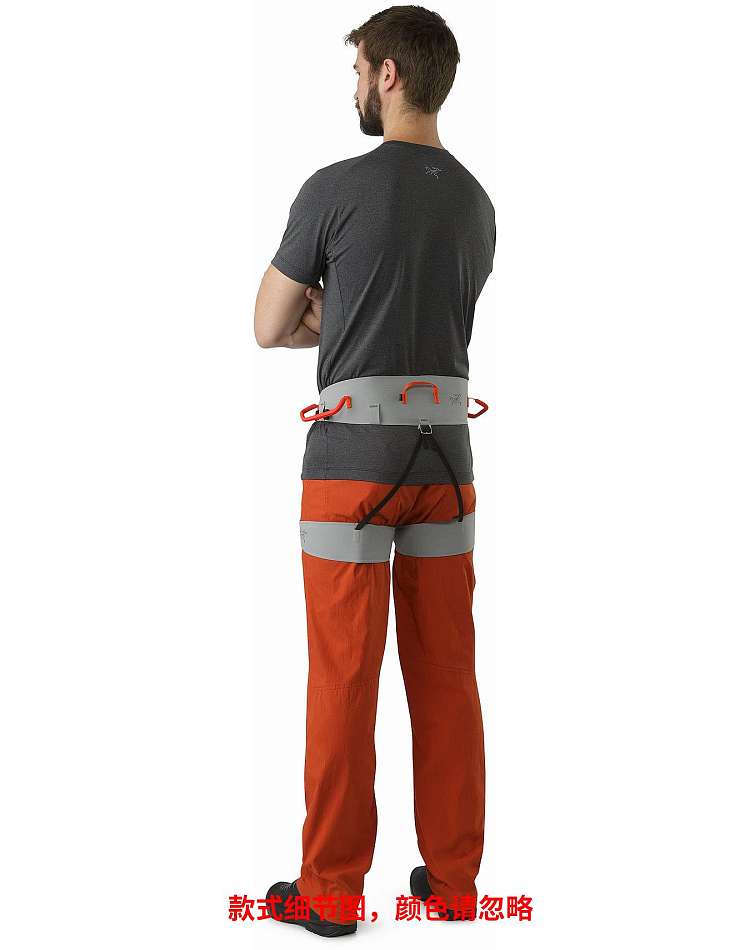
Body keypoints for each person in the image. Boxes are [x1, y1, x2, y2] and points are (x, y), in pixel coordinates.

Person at [254, 5, 495, 938]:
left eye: (358, 69)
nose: (355, 86)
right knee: (447, 674)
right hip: (448, 460)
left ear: (388, 74)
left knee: (345, 679)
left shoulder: (334, 188)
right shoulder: (475, 202)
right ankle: (456, 884)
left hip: (352, 465)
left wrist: (331, 315)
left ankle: (329, 894)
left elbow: (269, 325)